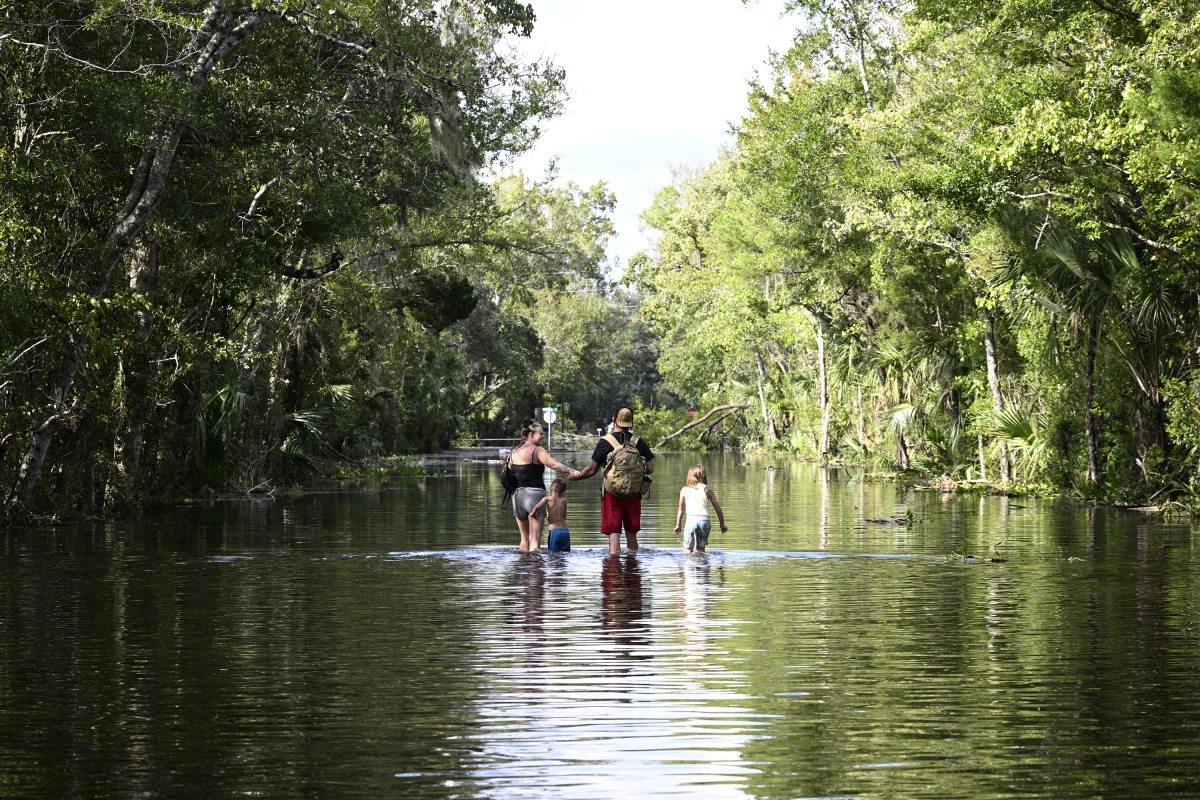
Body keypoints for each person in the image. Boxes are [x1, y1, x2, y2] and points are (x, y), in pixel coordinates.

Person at [571, 407, 654, 554]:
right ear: (631, 422)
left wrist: (577, 476)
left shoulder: (605, 442)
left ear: (614, 420)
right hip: (634, 494)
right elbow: (650, 468)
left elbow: (592, 470)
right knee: (631, 533)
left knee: (614, 532)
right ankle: (632, 565)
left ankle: (613, 566)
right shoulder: (638, 442)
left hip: (612, 493)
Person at [511, 419, 579, 551]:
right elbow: (553, 465)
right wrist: (572, 471)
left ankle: (522, 569)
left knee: (524, 539)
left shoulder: (515, 451)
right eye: (540, 433)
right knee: (534, 539)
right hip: (534, 495)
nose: (542, 436)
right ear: (531, 435)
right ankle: (535, 570)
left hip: (517, 496)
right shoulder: (537, 450)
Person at [673, 464, 727, 554]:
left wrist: (678, 525)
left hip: (691, 521)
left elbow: (681, 510)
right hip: (704, 521)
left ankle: (688, 567)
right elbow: (718, 509)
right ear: (703, 475)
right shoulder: (707, 490)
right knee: (701, 550)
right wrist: (722, 524)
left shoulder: (684, 490)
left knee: (688, 549)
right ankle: (702, 566)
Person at [531, 479, 571, 552]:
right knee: (565, 553)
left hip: (554, 531)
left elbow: (536, 507)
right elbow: (564, 516)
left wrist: (533, 513)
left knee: (553, 555)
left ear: (550, 488)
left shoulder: (547, 499)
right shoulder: (564, 501)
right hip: (565, 531)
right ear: (564, 491)